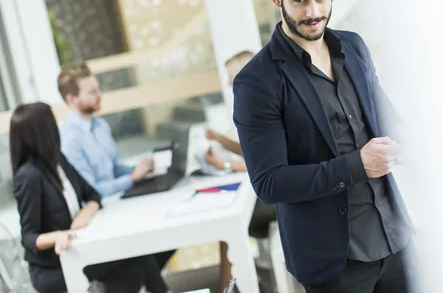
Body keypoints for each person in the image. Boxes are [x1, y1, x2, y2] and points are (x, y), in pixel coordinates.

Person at [232, 0, 420, 293]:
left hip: (397, 241)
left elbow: (384, 114)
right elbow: (270, 183)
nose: (313, 12)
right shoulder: (257, 82)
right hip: (335, 264)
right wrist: (356, 166)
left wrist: (404, 138)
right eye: (299, 0)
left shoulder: (353, 46)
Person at [10, 102, 171, 293]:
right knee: (132, 252)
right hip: (55, 267)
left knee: (133, 267)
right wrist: (59, 236)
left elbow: (93, 194)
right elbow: (28, 237)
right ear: (45, 130)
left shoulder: (58, 159)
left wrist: (84, 214)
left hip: (78, 249)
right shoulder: (29, 176)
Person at [57, 62, 175, 269]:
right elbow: (89, 191)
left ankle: (150, 281)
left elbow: (112, 167)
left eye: (98, 89)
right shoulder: (69, 141)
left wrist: (140, 170)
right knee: (152, 237)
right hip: (100, 213)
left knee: (171, 225)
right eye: (92, 92)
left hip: (120, 201)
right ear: (71, 99)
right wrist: (131, 178)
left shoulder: (100, 124)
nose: (99, 95)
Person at [202, 51, 277, 292]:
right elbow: (254, 152)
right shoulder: (256, 102)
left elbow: (268, 161)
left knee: (226, 221)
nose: (227, 83)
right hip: (272, 189)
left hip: (278, 198)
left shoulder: (265, 105)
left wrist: (224, 165)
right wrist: (222, 141)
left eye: (231, 77)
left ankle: (230, 285)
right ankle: (232, 283)